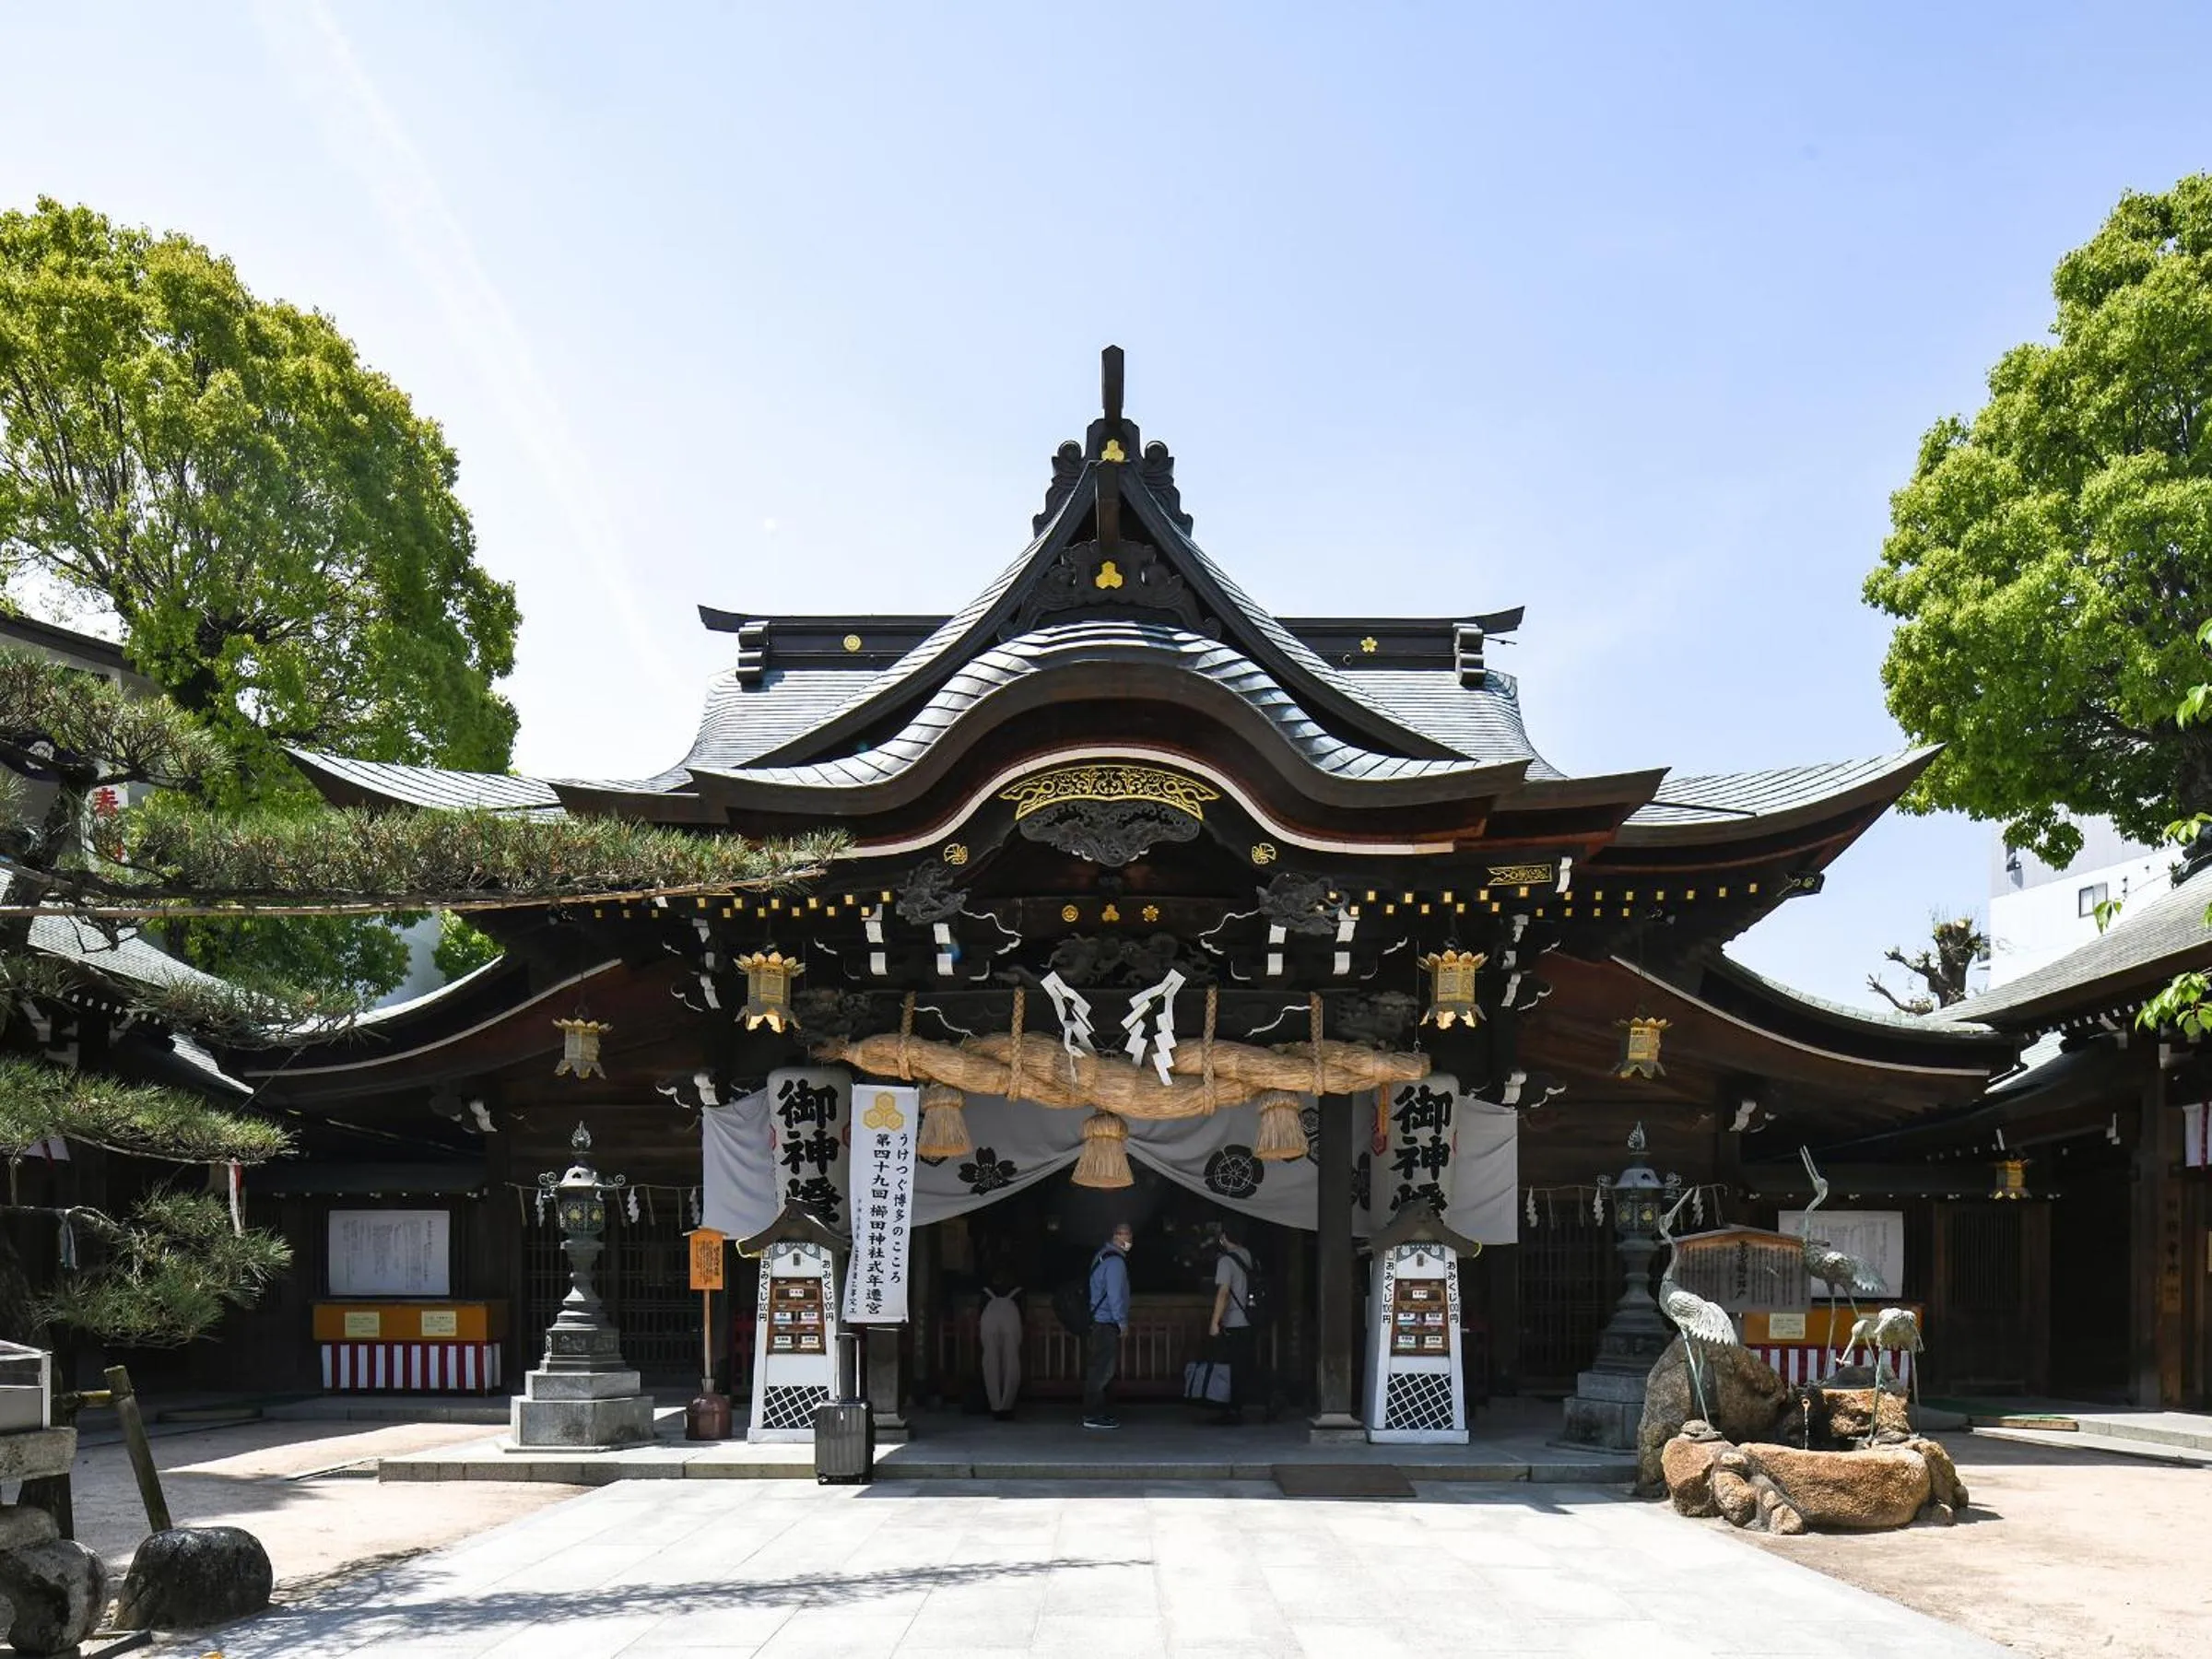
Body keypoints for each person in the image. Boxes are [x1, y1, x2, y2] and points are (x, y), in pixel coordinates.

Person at [1208, 1218, 1260, 1424]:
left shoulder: (1225, 1261)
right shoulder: (1246, 1255)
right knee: (1242, 1366)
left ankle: (1232, 1409)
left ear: (1223, 1238)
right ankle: (1238, 1407)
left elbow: (1223, 1293)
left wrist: (1215, 1321)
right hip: (1248, 1319)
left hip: (1233, 1320)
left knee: (1231, 1368)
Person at [1084, 1220, 1133, 1430]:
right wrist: (1122, 1322)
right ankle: (1093, 1414)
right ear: (1116, 1235)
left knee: (1098, 1367)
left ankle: (1097, 1412)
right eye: (1126, 1234)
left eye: (1130, 1235)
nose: (1129, 1239)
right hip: (1107, 1323)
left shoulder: (1101, 1256)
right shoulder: (1116, 1263)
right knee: (1102, 1371)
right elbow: (1115, 1295)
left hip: (1098, 1321)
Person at [978, 1264, 1024, 1420]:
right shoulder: (1018, 1291)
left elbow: (980, 1311)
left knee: (990, 1362)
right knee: (1012, 1362)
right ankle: (1007, 1405)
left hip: (989, 1321)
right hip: (1011, 1320)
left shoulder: (985, 1290)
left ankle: (995, 1405)